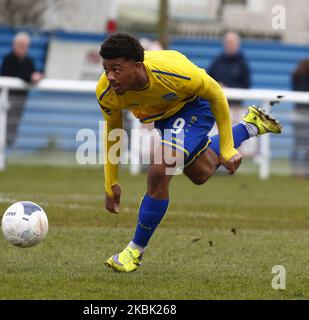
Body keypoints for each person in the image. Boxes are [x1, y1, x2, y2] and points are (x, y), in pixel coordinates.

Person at [96, 33, 281, 273]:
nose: (110, 76)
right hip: (164, 117)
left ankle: (134, 251)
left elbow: (216, 94)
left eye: (117, 69)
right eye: (106, 69)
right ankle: (250, 125)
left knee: (160, 168)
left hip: (194, 104)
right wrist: (110, 181)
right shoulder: (106, 90)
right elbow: (113, 129)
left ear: (137, 66)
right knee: (201, 173)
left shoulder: (175, 72)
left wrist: (227, 147)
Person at [0, 31, 43, 147]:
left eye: (26, 46)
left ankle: (3, 152)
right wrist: (30, 77)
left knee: (12, 127)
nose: (24, 49)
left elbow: (35, 73)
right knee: (1, 126)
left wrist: (37, 76)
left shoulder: (28, 61)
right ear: (15, 45)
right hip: (5, 100)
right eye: (21, 46)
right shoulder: (8, 59)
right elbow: (13, 74)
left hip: (20, 100)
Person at [291, 59, 309, 177]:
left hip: (298, 113)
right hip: (305, 113)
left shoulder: (296, 75)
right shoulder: (303, 76)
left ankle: (297, 171)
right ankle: (304, 171)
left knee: (298, 144)